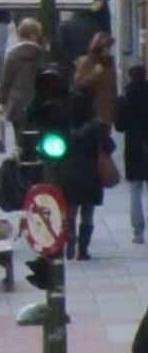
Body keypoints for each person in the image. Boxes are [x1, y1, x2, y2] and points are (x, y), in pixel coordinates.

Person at [60, 89, 109, 260]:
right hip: (92, 175)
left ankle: (70, 235)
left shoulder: (64, 128)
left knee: (70, 211)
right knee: (88, 214)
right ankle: (83, 250)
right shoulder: (97, 127)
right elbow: (109, 147)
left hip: (70, 174)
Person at [0, 17, 45, 140]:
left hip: (16, 103)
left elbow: (6, 81)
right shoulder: (42, 55)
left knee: (19, 135)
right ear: (36, 35)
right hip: (37, 101)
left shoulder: (13, 55)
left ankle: (20, 150)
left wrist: (1, 102)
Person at [116, 65, 148, 244]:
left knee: (135, 190)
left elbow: (119, 126)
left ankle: (139, 232)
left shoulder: (125, 98)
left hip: (134, 147)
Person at [74, 32, 118, 127]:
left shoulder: (109, 63)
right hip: (92, 108)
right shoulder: (86, 61)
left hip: (107, 108)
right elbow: (79, 83)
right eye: (105, 48)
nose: (108, 51)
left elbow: (112, 85)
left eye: (109, 48)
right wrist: (94, 73)